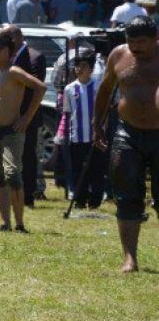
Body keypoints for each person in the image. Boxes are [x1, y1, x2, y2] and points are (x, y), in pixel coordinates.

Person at [93, 16, 159, 273]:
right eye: (132, 42)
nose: (136, 48)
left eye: (141, 42)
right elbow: (104, 89)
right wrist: (97, 123)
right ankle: (130, 258)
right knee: (126, 195)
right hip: (127, 132)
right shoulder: (119, 55)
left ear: (155, 38)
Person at [0, 31, 46, 233]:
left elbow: (40, 87)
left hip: (12, 131)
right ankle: (5, 223)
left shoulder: (14, 71)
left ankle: (19, 224)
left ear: (5, 51)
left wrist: (27, 118)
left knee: (12, 175)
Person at [5, 25, 46, 207]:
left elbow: (34, 87)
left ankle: (28, 196)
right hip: (8, 113)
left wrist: (26, 117)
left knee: (27, 155)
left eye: (7, 39)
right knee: (10, 156)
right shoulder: (6, 57)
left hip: (26, 115)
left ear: (16, 38)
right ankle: (10, 194)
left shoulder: (35, 56)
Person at [63, 54, 105, 209]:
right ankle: (80, 199)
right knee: (78, 170)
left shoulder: (98, 87)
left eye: (84, 66)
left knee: (96, 169)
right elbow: (68, 113)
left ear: (91, 69)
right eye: (77, 66)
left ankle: (95, 200)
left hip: (95, 136)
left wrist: (102, 131)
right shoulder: (69, 88)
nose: (79, 69)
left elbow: (104, 110)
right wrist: (63, 134)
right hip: (77, 136)